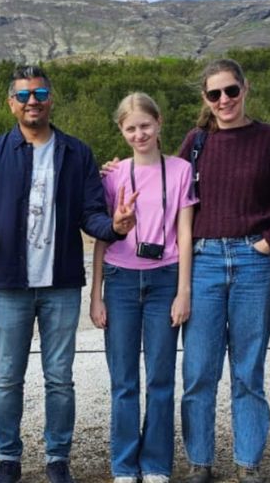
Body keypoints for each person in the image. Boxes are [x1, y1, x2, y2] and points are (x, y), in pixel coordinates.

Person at [0, 65, 138, 483]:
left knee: (59, 379)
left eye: (40, 92)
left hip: (61, 286)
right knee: (8, 378)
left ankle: (56, 458)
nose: (33, 101)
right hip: (10, 285)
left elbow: (91, 215)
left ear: (51, 99)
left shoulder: (76, 152)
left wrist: (116, 228)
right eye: (24, 95)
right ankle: (8, 458)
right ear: (11, 103)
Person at [177, 58, 270, 483]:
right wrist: (120, 174)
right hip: (205, 261)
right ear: (206, 99)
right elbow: (171, 195)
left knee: (248, 369)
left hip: (254, 263)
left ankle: (248, 462)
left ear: (245, 89)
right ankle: (200, 462)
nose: (224, 100)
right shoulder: (195, 143)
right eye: (214, 94)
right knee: (199, 370)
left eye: (231, 90)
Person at [90, 92, 197, 483]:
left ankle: (155, 464)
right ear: (121, 130)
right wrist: (95, 294)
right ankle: (123, 464)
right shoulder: (113, 176)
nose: (139, 134)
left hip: (164, 277)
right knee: (123, 380)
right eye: (131, 128)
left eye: (145, 126)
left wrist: (183, 291)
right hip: (119, 279)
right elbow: (103, 235)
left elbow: (184, 233)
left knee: (160, 378)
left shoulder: (181, 170)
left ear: (159, 123)